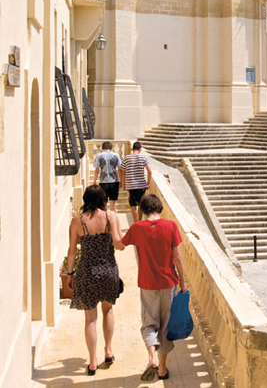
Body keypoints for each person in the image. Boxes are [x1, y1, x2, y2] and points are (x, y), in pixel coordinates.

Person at [122, 194, 187, 382]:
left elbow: (120, 244)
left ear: (142, 209)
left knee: (149, 323)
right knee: (166, 325)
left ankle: (151, 358)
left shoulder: (136, 228)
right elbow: (178, 258)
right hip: (169, 283)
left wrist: (114, 224)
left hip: (148, 283)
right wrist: (182, 283)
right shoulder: (171, 226)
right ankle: (162, 369)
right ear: (159, 208)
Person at [66, 185, 125, 376]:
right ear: (103, 200)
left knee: (90, 318)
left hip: (87, 272)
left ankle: (92, 361)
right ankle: (108, 351)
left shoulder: (77, 221)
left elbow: (72, 251)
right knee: (108, 310)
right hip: (108, 270)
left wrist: (69, 273)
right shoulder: (111, 217)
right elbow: (118, 243)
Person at [120, 141, 152, 223]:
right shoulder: (143, 157)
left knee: (133, 205)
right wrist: (148, 183)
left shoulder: (127, 158)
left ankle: (136, 222)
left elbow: (122, 171)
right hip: (141, 185)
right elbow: (149, 171)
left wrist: (123, 183)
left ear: (132, 149)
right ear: (140, 149)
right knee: (141, 203)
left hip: (131, 185)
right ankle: (140, 221)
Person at [93, 141, 123, 211]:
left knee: (103, 202)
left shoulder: (99, 156)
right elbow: (120, 169)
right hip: (114, 181)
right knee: (113, 203)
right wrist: (121, 180)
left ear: (103, 147)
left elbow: (97, 170)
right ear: (111, 147)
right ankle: (112, 218)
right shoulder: (116, 155)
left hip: (103, 181)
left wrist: (94, 181)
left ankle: (105, 218)